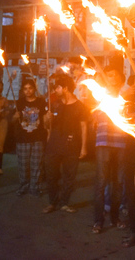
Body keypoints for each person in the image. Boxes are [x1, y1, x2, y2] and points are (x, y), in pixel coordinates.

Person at [91, 65, 133, 239]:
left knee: (117, 182)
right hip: (103, 142)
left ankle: (114, 217)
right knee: (101, 181)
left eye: (114, 75)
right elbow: (94, 118)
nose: (111, 78)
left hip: (120, 143)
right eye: (108, 76)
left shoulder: (125, 99)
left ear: (121, 79)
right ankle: (98, 220)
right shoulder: (100, 97)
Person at [42, 74, 88, 214]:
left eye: (58, 87)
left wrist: (84, 147)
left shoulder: (80, 106)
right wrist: (46, 118)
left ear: (66, 88)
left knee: (69, 176)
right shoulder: (54, 104)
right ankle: (52, 202)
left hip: (71, 145)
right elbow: (47, 126)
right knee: (51, 175)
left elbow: (84, 127)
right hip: (54, 145)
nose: (55, 90)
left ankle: (64, 203)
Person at [13, 79, 48, 196]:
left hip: (38, 138)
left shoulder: (41, 102)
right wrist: (15, 116)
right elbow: (13, 120)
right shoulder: (19, 103)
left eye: (30, 88)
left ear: (34, 89)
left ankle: (35, 187)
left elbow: (46, 120)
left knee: (36, 164)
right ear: (23, 90)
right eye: (25, 89)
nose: (28, 91)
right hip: (22, 138)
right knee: (23, 165)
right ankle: (24, 186)